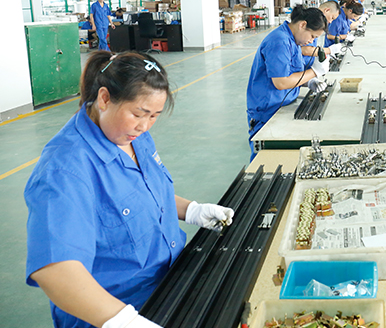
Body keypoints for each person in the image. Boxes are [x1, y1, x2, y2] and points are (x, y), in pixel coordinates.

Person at [25, 51, 234, 328]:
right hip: (114, 311)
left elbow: (140, 194)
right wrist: (124, 321)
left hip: (169, 286)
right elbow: (55, 271)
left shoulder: (131, 135)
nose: (144, 126)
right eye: (138, 114)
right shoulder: (64, 169)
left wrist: (192, 210)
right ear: (104, 99)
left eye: (154, 116)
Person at [246, 5, 329, 160]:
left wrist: (309, 82)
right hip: (268, 111)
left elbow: (290, 73)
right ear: (302, 24)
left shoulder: (294, 40)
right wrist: (313, 72)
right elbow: (281, 82)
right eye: (312, 36)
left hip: (283, 106)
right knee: (265, 160)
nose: (311, 41)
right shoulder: (279, 41)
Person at [301, 0, 342, 68]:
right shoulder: (311, 20)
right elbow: (304, 50)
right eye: (332, 18)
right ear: (327, 10)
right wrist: (329, 50)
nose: (330, 21)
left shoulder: (319, 25)